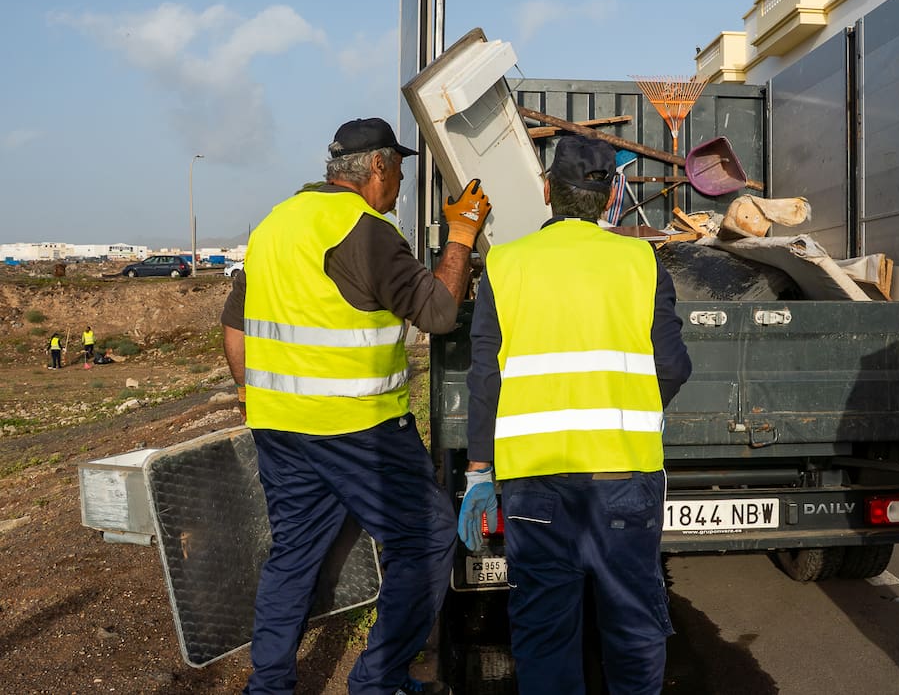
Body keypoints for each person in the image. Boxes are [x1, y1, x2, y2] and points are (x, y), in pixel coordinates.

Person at [221, 117, 490, 695]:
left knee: (293, 553)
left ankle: (268, 687)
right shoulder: (365, 230)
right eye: (398, 169)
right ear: (377, 167)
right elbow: (439, 313)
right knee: (425, 540)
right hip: (358, 429)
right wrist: (462, 235)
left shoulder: (275, 223)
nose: (398, 183)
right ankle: (378, 681)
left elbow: (233, 324)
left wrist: (250, 392)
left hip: (279, 428)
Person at [459, 134, 692, 695]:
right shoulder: (642, 261)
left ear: (547, 191)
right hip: (624, 481)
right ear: (612, 194)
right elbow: (673, 366)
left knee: (543, 636)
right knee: (633, 629)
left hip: (534, 486)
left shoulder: (506, 264)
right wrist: (625, 403)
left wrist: (477, 471)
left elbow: (485, 376)